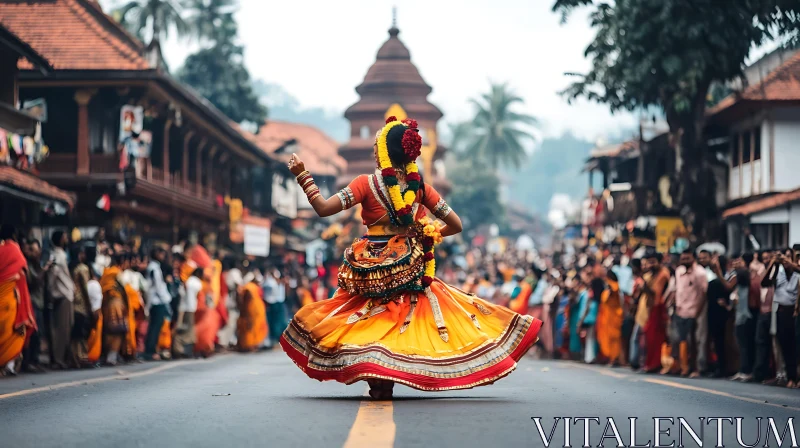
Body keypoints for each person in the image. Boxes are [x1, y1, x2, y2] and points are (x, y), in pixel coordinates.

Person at [281, 116, 541, 399]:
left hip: (369, 265)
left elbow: (322, 208)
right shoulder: (420, 188)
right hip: (409, 262)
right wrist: (429, 233)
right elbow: (456, 225)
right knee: (408, 315)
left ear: (383, 150)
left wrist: (302, 175)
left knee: (366, 313)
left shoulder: (364, 184)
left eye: (376, 146)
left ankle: (376, 371)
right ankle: (392, 369)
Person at [0, 225, 37, 375]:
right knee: (12, 333)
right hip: (10, 299)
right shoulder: (14, 249)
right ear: (14, 236)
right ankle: (8, 364)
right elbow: (23, 273)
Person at [669, 249, 707, 377]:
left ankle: (695, 369)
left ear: (693, 259)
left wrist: (698, 312)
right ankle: (682, 367)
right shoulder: (678, 271)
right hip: (680, 311)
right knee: (680, 340)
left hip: (694, 311)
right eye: (683, 258)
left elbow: (703, 294)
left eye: (688, 258)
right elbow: (676, 290)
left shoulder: (700, 273)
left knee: (693, 342)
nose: (685, 261)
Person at [769, 249, 798, 388]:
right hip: (780, 311)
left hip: (794, 312)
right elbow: (766, 282)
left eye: (788, 256)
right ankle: (790, 376)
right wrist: (773, 264)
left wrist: (790, 264)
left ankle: (795, 376)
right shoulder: (779, 272)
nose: (784, 260)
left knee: (795, 345)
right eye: (783, 257)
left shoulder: (797, 273)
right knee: (784, 344)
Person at [46, 230, 75, 369]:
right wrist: (51, 293)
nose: (67, 238)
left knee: (64, 328)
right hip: (62, 295)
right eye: (65, 236)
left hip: (65, 294)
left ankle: (62, 358)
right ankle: (58, 360)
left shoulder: (61, 254)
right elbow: (53, 276)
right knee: (61, 329)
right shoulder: (58, 255)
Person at [22, 239, 50, 373]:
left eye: (36, 250)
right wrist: (44, 270)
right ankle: (29, 362)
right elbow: (33, 282)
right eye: (31, 250)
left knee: (38, 334)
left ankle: (35, 360)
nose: (34, 253)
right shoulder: (28, 265)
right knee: (33, 334)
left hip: (40, 302)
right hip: (32, 303)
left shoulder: (37, 264)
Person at [642, 252, 671, 373]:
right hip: (653, 308)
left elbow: (656, 293)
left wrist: (645, 286)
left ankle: (656, 364)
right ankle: (651, 363)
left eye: (653, 262)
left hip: (660, 308)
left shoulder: (663, 274)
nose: (650, 265)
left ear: (660, 262)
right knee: (650, 336)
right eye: (649, 262)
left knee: (656, 337)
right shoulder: (653, 275)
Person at [143, 247, 172, 360]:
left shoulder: (154, 267)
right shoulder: (154, 269)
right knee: (155, 327)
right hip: (157, 302)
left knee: (155, 327)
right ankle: (150, 352)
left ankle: (152, 350)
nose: (163, 256)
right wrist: (166, 299)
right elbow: (158, 287)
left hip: (156, 301)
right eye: (161, 253)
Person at [70, 245, 94, 367]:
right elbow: (86, 288)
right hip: (81, 304)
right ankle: (81, 357)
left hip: (73, 302)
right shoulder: (83, 268)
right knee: (81, 332)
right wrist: (90, 306)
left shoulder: (72, 267)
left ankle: (75, 358)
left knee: (76, 332)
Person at [173, 266, 201, 359]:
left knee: (184, 328)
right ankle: (180, 350)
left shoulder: (188, 281)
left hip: (182, 308)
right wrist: (191, 309)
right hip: (190, 308)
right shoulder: (196, 283)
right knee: (187, 330)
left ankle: (181, 350)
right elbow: (193, 297)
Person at [597, 271, 624, 366]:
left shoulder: (614, 286)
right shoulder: (607, 288)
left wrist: (610, 286)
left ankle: (615, 359)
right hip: (606, 318)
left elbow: (615, 291)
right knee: (607, 338)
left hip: (614, 317)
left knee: (614, 339)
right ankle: (610, 358)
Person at [236, 271, 268, 352]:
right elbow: (248, 297)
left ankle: (251, 344)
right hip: (253, 309)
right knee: (252, 326)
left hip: (254, 309)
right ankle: (251, 344)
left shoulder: (249, 286)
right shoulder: (249, 286)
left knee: (252, 326)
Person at [263, 268, 288, 348]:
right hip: (272, 304)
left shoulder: (280, 284)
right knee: (273, 324)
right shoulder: (269, 282)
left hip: (280, 303)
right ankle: (274, 341)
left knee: (281, 322)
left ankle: (281, 340)